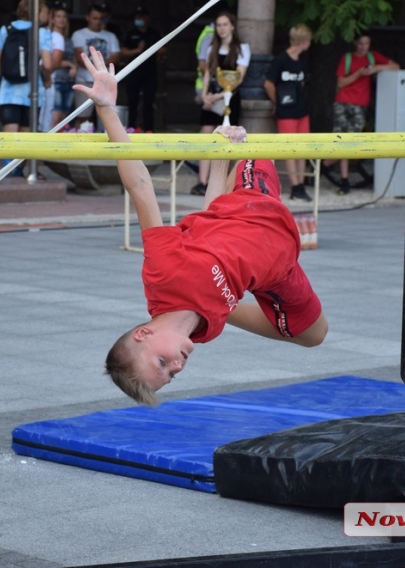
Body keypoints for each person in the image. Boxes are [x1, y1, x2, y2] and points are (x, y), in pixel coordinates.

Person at [75, 47, 327, 406]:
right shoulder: (206, 330)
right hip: (277, 270)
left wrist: (106, 109)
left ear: (144, 333)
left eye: (162, 363)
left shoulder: (163, 275)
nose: (178, 365)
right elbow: (209, 226)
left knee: (249, 147)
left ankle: (237, 144)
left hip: (254, 201)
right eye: (172, 375)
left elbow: (141, 187)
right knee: (314, 335)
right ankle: (233, 296)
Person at [323, 32, 398, 195]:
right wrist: (359, 73)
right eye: (361, 44)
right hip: (343, 102)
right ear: (355, 43)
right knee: (341, 140)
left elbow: (395, 66)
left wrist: (377, 68)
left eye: (367, 44)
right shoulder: (347, 58)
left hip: (360, 105)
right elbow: (341, 82)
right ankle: (344, 179)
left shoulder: (372, 57)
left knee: (351, 142)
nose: (363, 47)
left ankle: (325, 164)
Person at [0, 0, 52, 176]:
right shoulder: (41, 32)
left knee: (9, 133)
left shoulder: (6, 29)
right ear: (38, 12)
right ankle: (20, 171)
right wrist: (47, 79)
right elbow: (47, 64)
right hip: (32, 92)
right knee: (27, 135)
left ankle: (7, 172)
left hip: (8, 91)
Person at [192, 11, 250, 196]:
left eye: (225, 24)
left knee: (227, 137)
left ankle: (224, 182)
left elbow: (238, 77)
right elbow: (207, 73)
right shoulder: (212, 48)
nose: (222, 28)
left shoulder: (242, 48)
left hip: (229, 97)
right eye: (219, 25)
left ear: (232, 26)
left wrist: (219, 96)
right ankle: (202, 181)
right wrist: (205, 95)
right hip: (212, 96)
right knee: (206, 135)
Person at [263, 24, 313, 202]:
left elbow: (302, 81)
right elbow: (268, 83)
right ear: (304, 40)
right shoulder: (281, 60)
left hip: (301, 109)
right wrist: (279, 101)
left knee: (303, 148)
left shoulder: (302, 59)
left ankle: (301, 182)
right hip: (286, 111)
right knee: (291, 148)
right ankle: (295, 185)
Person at [72, 4, 121, 125]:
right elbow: (80, 57)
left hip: (106, 82)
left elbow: (116, 57)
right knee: (83, 116)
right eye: (95, 18)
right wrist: (101, 66)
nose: (98, 21)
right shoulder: (79, 34)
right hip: (85, 80)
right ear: (87, 17)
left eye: (100, 18)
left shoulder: (111, 36)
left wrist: (99, 67)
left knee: (107, 118)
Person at [121, 7, 163, 132]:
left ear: (147, 18)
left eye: (142, 16)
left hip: (150, 72)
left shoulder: (154, 33)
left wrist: (158, 52)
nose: (139, 19)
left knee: (148, 102)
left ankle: (149, 129)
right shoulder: (130, 33)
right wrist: (138, 51)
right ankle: (131, 128)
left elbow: (163, 50)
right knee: (132, 101)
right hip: (133, 72)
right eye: (137, 16)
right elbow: (123, 52)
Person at [50, 3, 77, 130]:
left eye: (64, 16)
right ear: (53, 19)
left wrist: (74, 67)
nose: (61, 19)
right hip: (55, 81)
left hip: (69, 81)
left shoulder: (68, 40)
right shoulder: (49, 37)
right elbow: (50, 61)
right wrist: (69, 64)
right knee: (55, 117)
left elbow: (74, 58)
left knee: (65, 119)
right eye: (58, 16)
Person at [39, 4, 64, 132]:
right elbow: (51, 64)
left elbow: (52, 63)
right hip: (45, 81)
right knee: (44, 121)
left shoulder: (52, 36)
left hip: (38, 80)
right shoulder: (45, 34)